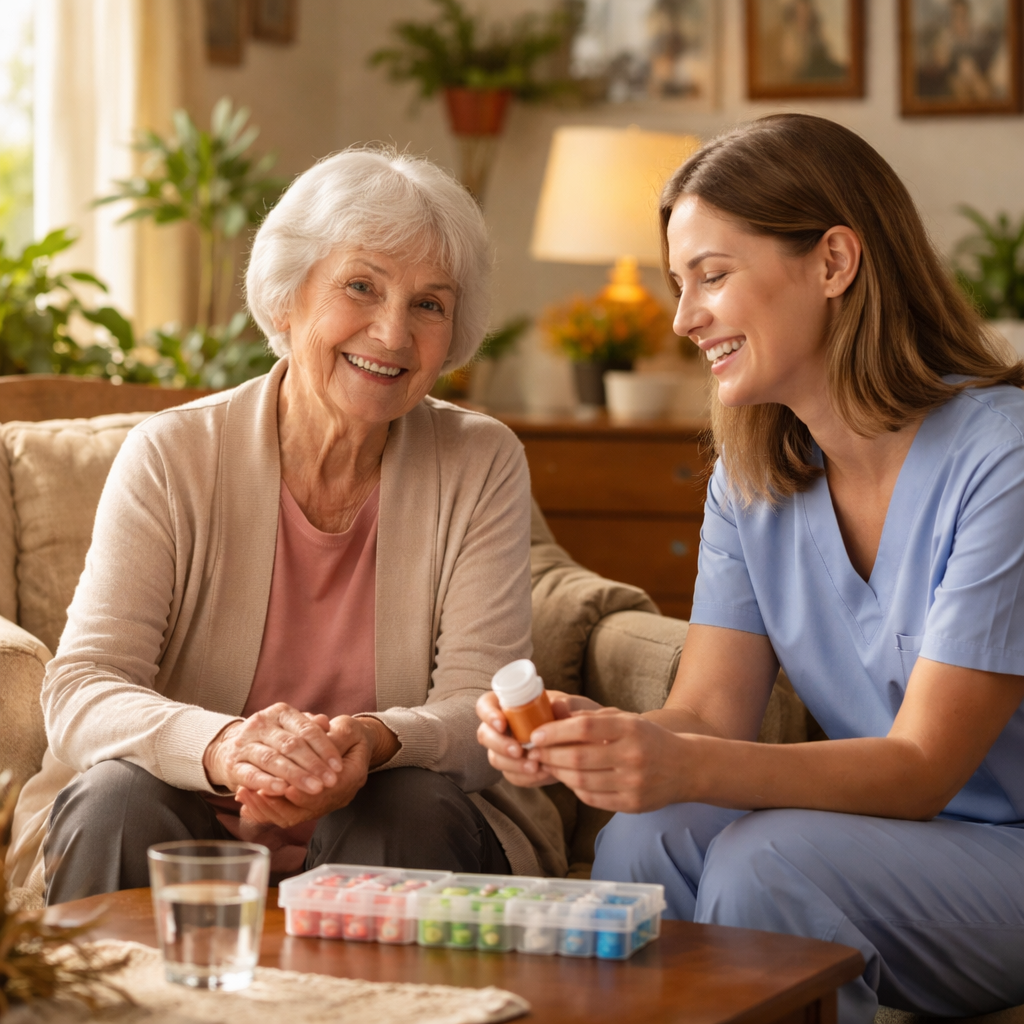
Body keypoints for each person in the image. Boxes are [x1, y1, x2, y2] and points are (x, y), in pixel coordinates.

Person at [476, 114, 1024, 1022]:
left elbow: (925, 767)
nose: (685, 318)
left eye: (713, 277)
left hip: (1000, 852)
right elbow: (704, 716)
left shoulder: (1002, 459)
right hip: (893, 837)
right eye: (678, 285)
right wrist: (611, 739)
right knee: (645, 840)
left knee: (765, 862)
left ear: (834, 263)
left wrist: (683, 763)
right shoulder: (752, 476)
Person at [8, 147, 567, 905]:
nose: (393, 333)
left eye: (429, 304)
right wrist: (227, 748)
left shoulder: (480, 459)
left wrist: (370, 742)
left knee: (405, 808)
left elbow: (481, 710)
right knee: (115, 802)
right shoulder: (173, 454)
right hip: (186, 811)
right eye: (360, 287)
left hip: (387, 816)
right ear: (286, 299)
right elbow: (82, 688)